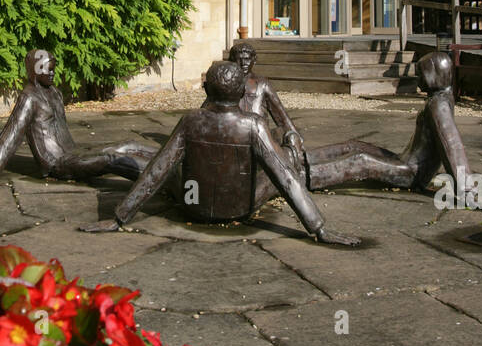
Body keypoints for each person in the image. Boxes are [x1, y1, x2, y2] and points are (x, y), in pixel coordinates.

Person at [82, 60, 359, 245]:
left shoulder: (191, 120)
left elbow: (157, 170)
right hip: (239, 209)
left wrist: (119, 217)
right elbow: (285, 178)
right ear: (242, 92)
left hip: (194, 205)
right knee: (285, 164)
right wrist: (319, 228)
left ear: (205, 89)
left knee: (171, 170)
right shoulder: (253, 125)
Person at [255, 50, 472, 207]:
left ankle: (299, 176)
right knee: (355, 146)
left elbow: (451, 144)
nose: (418, 79)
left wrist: (466, 188)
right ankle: (300, 158)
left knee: (360, 161)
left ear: (433, 74)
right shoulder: (441, 98)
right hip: (406, 160)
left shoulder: (439, 105)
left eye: (421, 74)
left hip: (411, 173)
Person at [0, 48, 156, 190]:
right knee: (113, 159)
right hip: (58, 164)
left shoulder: (54, 92)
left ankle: (173, 160)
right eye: (48, 70)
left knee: (128, 145)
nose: (53, 73)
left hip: (74, 151)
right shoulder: (29, 98)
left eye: (53, 69)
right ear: (36, 71)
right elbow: (10, 136)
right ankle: (165, 179)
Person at [228, 40, 305, 176]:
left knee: (287, 140)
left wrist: (296, 137)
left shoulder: (262, 84)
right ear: (232, 60)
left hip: (259, 137)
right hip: (232, 138)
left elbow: (280, 115)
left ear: (254, 60)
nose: (243, 63)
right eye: (239, 60)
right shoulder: (225, 82)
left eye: (247, 59)